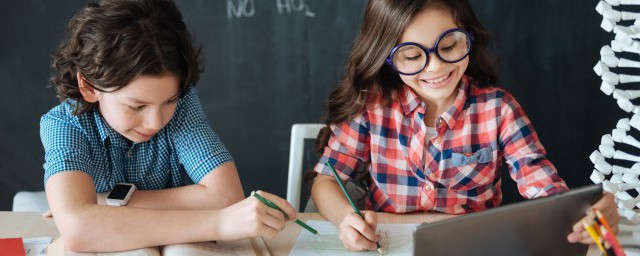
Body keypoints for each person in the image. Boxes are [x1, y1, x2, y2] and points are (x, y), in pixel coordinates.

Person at [310, 0, 619, 251]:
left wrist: (581, 211)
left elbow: (541, 183)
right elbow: (326, 181)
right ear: (387, 58)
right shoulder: (371, 106)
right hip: (386, 244)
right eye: (412, 55)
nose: (436, 67)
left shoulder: (498, 108)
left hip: (472, 245)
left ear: (468, 36)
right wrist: (347, 219)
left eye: (449, 46)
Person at [41, 0, 295, 252]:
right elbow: (79, 229)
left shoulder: (183, 105)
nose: (156, 122)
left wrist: (103, 202)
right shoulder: (64, 124)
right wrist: (219, 222)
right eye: (136, 106)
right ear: (88, 87)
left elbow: (226, 197)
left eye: (169, 101)